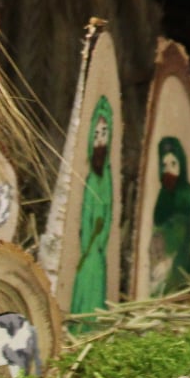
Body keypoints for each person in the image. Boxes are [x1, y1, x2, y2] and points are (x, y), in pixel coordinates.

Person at [69, 96, 114, 314]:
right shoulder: (89, 180)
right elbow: (85, 214)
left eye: (104, 134)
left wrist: (100, 240)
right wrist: (87, 244)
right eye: (96, 135)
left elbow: (109, 212)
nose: (100, 141)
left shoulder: (107, 179)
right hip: (88, 247)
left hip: (98, 247)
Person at [150, 135, 190, 295]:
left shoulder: (185, 193)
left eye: (173, 164)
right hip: (162, 256)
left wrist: (169, 260)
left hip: (179, 261)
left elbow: (182, 232)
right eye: (164, 165)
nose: (168, 170)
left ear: (181, 165)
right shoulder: (163, 196)